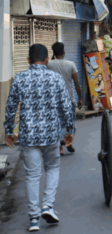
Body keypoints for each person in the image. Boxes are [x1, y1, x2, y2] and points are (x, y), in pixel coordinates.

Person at [4, 44, 75, 232]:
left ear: (28, 60)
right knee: (52, 168)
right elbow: (67, 108)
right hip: (51, 134)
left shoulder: (19, 79)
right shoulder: (56, 78)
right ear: (46, 61)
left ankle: (34, 219)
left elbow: (11, 108)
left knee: (32, 176)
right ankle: (47, 206)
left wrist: (9, 131)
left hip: (29, 136)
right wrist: (70, 130)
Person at [48, 42, 82, 155]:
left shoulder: (49, 64)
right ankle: (69, 141)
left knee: (56, 123)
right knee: (70, 122)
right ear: (64, 52)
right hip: (68, 99)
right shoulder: (71, 64)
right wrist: (80, 98)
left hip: (53, 100)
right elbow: (77, 83)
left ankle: (60, 147)